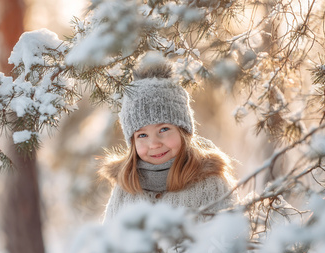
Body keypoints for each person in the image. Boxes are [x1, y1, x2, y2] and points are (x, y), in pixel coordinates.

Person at [99, 60, 236, 223]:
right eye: (142, 135)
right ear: (132, 142)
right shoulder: (126, 188)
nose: (154, 144)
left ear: (183, 131)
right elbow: (111, 241)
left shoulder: (210, 184)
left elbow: (228, 237)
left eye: (163, 130)